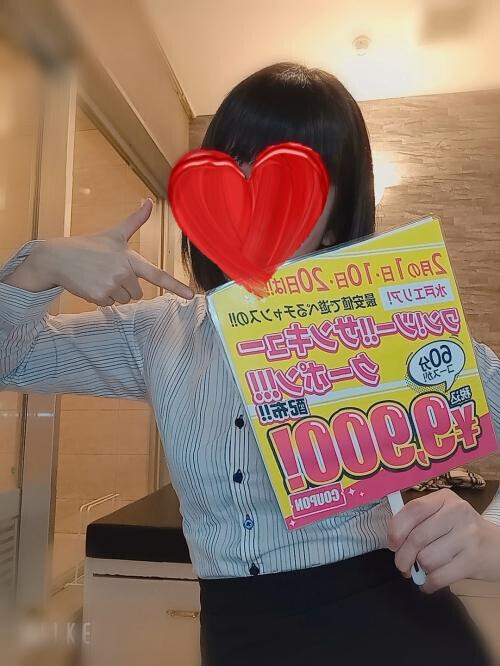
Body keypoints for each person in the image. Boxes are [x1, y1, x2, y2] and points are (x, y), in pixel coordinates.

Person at [1, 62, 500, 665]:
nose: (253, 195)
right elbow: (12, 359)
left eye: (291, 174)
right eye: (235, 165)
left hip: (394, 635)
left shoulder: (385, 322)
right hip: (235, 637)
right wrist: (41, 267)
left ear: (336, 215)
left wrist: (493, 542)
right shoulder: (159, 333)